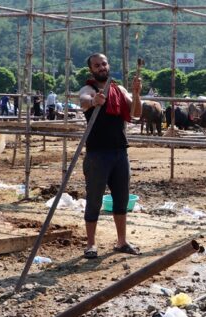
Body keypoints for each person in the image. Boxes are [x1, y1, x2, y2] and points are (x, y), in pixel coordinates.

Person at [78, 53, 142, 259]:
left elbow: (137, 112)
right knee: (94, 199)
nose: (101, 67)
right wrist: (94, 100)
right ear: (91, 70)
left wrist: (136, 93)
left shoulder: (119, 90)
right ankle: (91, 244)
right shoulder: (89, 89)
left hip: (119, 152)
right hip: (97, 154)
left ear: (108, 65)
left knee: (121, 198)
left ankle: (122, 242)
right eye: (97, 65)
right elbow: (84, 101)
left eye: (104, 63)